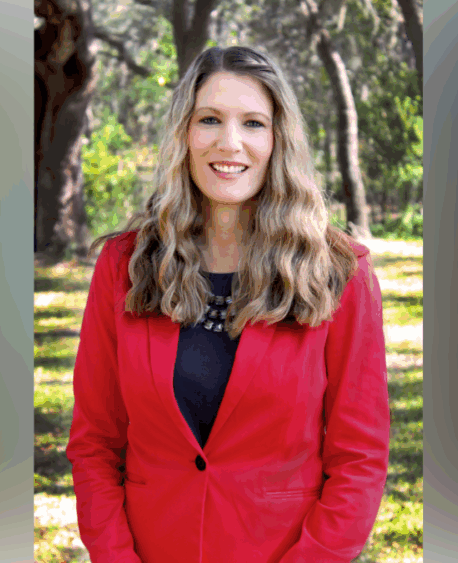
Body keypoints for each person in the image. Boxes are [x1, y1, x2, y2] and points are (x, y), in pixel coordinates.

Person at [66, 45, 390, 563]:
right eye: (210, 119)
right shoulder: (124, 265)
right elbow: (95, 446)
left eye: (254, 123)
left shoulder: (340, 272)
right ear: (184, 134)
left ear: (278, 138)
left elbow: (359, 459)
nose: (229, 142)